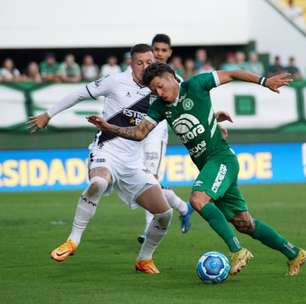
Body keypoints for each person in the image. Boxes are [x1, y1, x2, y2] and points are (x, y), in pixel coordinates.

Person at [87, 63, 306, 277]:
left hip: (222, 159)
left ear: (172, 77)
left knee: (198, 200)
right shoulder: (159, 107)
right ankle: (295, 253)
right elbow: (139, 133)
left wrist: (265, 81)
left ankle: (238, 251)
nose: (159, 92)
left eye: (160, 86)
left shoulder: (197, 85)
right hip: (208, 166)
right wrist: (108, 127)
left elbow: (232, 73)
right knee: (244, 223)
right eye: (154, 90)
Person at [28, 44, 174, 275]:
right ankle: (73, 241)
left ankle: (144, 259)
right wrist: (48, 114)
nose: (146, 66)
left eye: (149, 62)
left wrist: (213, 122)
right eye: (140, 63)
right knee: (99, 183)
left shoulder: (159, 88)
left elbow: (188, 105)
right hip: (107, 151)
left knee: (164, 213)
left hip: (133, 163)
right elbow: (78, 93)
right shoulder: (115, 81)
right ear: (131, 63)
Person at [136, 34, 192, 245]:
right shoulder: (138, 74)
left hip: (156, 133)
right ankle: (182, 207)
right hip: (136, 133)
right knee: (139, 182)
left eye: (163, 50)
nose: (159, 53)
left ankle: (149, 229)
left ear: (169, 53)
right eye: (156, 49)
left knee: (150, 181)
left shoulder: (174, 78)